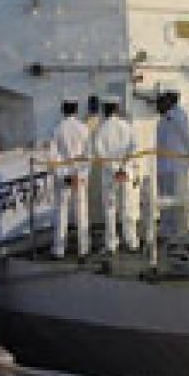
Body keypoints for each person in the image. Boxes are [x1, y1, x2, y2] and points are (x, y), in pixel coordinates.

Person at [92, 96, 139, 253]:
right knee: (128, 209)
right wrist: (123, 169)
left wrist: (114, 170)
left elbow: (99, 153)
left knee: (110, 210)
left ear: (105, 109)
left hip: (109, 176)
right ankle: (132, 242)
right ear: (117, 108)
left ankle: (111, 244)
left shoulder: (100, 129)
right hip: (126, 175)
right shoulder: (127, 126)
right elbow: (134, 148)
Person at [49, 98, 91, 259]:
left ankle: (59, 250)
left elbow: (53, 156)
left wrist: (63, 175)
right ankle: (83, 248)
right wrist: (81, 176)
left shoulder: (57, 129)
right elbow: (88, 156)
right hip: (79, 176)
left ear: (63, 109)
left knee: (61, 212)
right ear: (76, 109)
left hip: (64, 178)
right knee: (81, 212)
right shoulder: (84, 128)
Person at [155, 86, 189, 203]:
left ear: (170, 100)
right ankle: (166, 222)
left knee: (178, 199)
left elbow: (186, 136)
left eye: (164, 99)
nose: (160, 104)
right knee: (165, 199)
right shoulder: (163, 119)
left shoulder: (179, 116)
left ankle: (177, 222)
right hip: (165, 166)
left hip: (177, 166)